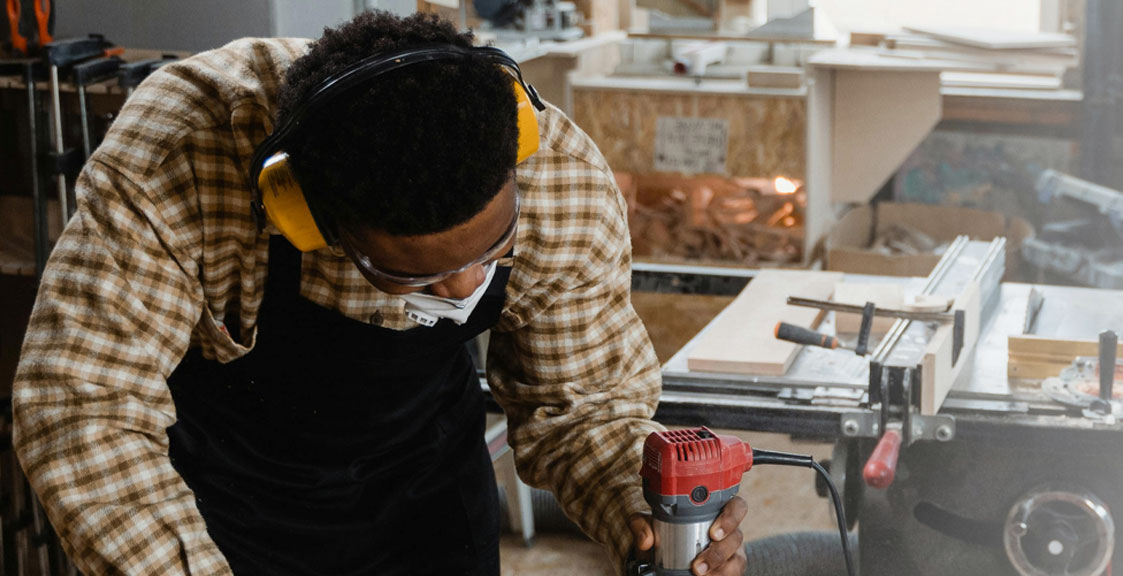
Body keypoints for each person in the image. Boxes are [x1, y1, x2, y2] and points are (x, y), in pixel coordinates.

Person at [11, 12, 749, 575]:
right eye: (412, 276)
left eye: (492, 250)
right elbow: (85, 406)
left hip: (425, 496)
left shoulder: (558, 180)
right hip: (220, 506)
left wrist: (646, 510)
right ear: (308, 219)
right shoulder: (185, 151)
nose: (464, 287)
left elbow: (580, 407)